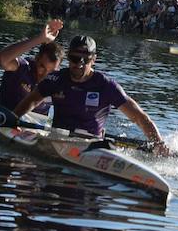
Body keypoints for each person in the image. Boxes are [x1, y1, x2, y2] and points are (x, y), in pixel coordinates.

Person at [13, 35, 166, 152]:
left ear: (94, 60)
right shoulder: (56, 79)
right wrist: (12, 120)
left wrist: (159, 144)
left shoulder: (106, 85)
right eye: (74, 58)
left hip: (91, 146)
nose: (79, 64)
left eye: (85, 60)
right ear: (68, 58)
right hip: (57, 139)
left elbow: (139, 117)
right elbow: (31, 101)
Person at [0, 18, 64, 113]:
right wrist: (39, 39)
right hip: (4, 120)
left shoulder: (56, 82)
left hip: (32, 126)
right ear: (36, 58)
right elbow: (2, 59)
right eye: (42, 67)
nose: (45, 74)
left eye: (51, 71)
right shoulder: (22, 68)